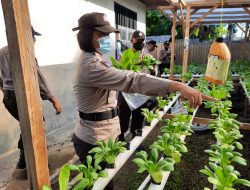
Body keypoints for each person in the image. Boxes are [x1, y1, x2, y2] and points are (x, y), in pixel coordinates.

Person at [71, 12, 216, 166]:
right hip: (93, 139)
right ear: (86, 36)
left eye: (108, 34)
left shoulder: (95, 58)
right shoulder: (91, 65)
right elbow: (132, 79)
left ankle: (131, 136)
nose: (107, 39)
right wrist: (178, 86)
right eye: (102, 34)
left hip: (103, 133)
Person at [0, 27, 62, 170]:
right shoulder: (25, 52)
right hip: (21, 94)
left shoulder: (2, 52)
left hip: (9, 97)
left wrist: (5, 90)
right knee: (36, 125)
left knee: (27, 125)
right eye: (33, 37)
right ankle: (36, 164)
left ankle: (23, 161)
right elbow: (38, 78)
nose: (34, 41)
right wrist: (53, 100)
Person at [117, 31, 157, 142]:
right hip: (126, 94)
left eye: (142, 41)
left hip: (140, 95)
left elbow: (152, 74)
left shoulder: (147, 57)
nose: (140, 42)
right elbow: (117, 72)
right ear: (132, 41)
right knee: (123, 118)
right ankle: (120, 141)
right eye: (138, 40)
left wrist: (153, 70)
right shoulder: (124, 55)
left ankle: (135, 142)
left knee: (138, 119)